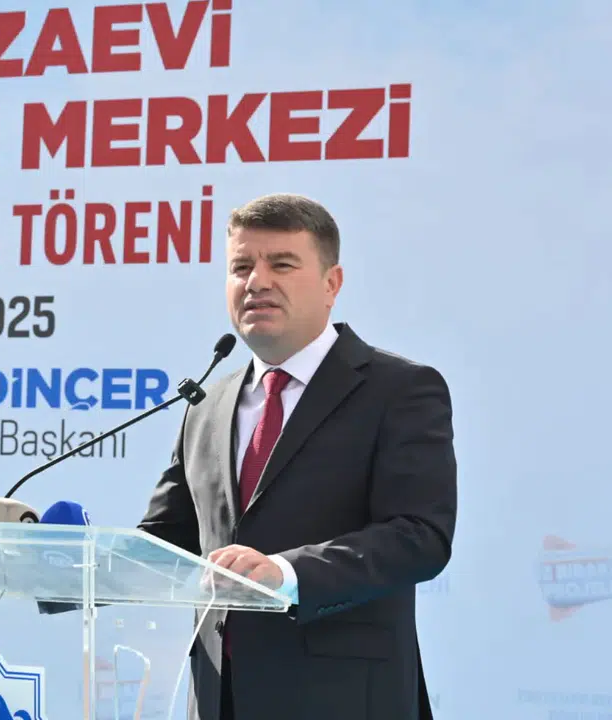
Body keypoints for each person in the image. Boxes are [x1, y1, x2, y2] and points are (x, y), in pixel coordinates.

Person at [137, 194, 456, 720]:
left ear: (332, 284)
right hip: (220, 700)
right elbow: (164, 541)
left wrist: (284, 573)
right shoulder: (206, 405)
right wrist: (55, 559)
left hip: (342, 699)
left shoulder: (399, 390)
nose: (256, 281)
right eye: (241, 266)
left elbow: (419, 536)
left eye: (281, 264)